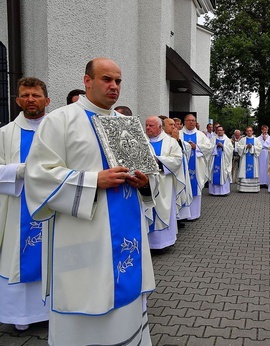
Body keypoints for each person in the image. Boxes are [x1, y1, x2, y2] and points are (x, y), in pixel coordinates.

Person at [25, 57, 156, 346]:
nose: (113, 86)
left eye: (118, 81)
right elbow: (38, 176)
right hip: (84, 235)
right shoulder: (60, 120)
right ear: (87, 81)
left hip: (127, 233)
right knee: (84, 294)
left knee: (125, 301)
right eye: (106, 79)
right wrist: (92, 181)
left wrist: (146, 183)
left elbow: (149, 172)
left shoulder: (128, 125)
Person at [0, 77, 51, 331]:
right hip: (18, 209)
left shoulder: (57, 130)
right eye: (25, 95)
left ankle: (54, 313)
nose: (31, 99)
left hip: (54, 208)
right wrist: (20, 171)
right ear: (18, 100)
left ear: (47, 100)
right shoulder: (5, 133)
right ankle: (22, 318)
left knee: (52, 258)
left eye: (36, 95)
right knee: (20, 257)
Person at [145, 116, 183, 250]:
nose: (148, 128)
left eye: (151, 126)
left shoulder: (171, 142)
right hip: (146, 183)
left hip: (164, 183)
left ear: (160, 127)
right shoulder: (141, 140)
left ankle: (163, 243)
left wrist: (159, 161)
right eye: (147, 125)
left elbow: (178, 160)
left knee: (163, 210)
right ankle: (147, 243)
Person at [180, 114, 212, 220]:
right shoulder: (179, 134)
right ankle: (182, 215)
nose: (191, 122)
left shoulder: (201, 135)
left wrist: (197, 147)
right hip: (182, 168)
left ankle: (194, 214)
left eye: (193, 120)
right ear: (184, 122)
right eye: (188, 120)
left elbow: (209, 147)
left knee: (195, 188)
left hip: (197, 167)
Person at [208, 125, 233, 196]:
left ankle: (223, 192)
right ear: (216, 131)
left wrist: (223, 146)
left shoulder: (227, 140)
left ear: (223, 131)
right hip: (214, 160)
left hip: (223, 161)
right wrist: (215, 147)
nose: (219, 131)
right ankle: (213, 191)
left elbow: (230, 150)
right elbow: (209, 148)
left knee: (223, 173)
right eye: (218, 130)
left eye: (221, 130)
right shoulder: (213, 139)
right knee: (214, 173)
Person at [237, 126, 263, 192]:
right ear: (246, 132)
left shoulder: (256, 140)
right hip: (245, 159)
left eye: (250, 131)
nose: (249, 132)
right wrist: (246, 147)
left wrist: (252, 147)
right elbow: (239, 148)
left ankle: (254, 189)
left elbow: (260, 148)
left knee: (253, 171)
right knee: (244, 171)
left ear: (252, 131)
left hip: (253, 159)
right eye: (248, 131)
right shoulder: (242, 140)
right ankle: (243, 188)